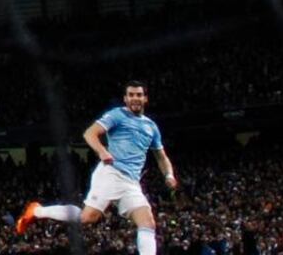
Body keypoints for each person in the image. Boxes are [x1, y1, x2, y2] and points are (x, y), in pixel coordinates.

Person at [16, 81, 178, 255]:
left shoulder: (151, 127)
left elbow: (161, 157)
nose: (135, 98)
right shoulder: (117, 115)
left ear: (145, 98)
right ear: (125, 98)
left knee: (147, 222)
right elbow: (89, 133)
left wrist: (169, 175)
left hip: (131, 182)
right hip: (111, 173)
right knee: (87, 217)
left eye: (139, 95)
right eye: (131, 95)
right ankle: (37, 211)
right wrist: (102, 151)